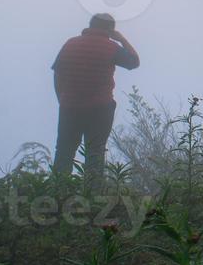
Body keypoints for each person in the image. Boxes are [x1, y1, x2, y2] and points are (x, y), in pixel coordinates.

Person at [52, 13, 139, 187]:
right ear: (110, 30)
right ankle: (92, 197)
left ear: (90, 26)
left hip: (69, 107)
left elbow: (57, 74)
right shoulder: (110, 47)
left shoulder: (70, 44)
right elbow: (134, 62)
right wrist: (121, 38)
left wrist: (62, 99)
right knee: (95, 153)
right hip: (100, 109)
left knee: (64, 153)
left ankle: (57, 193)